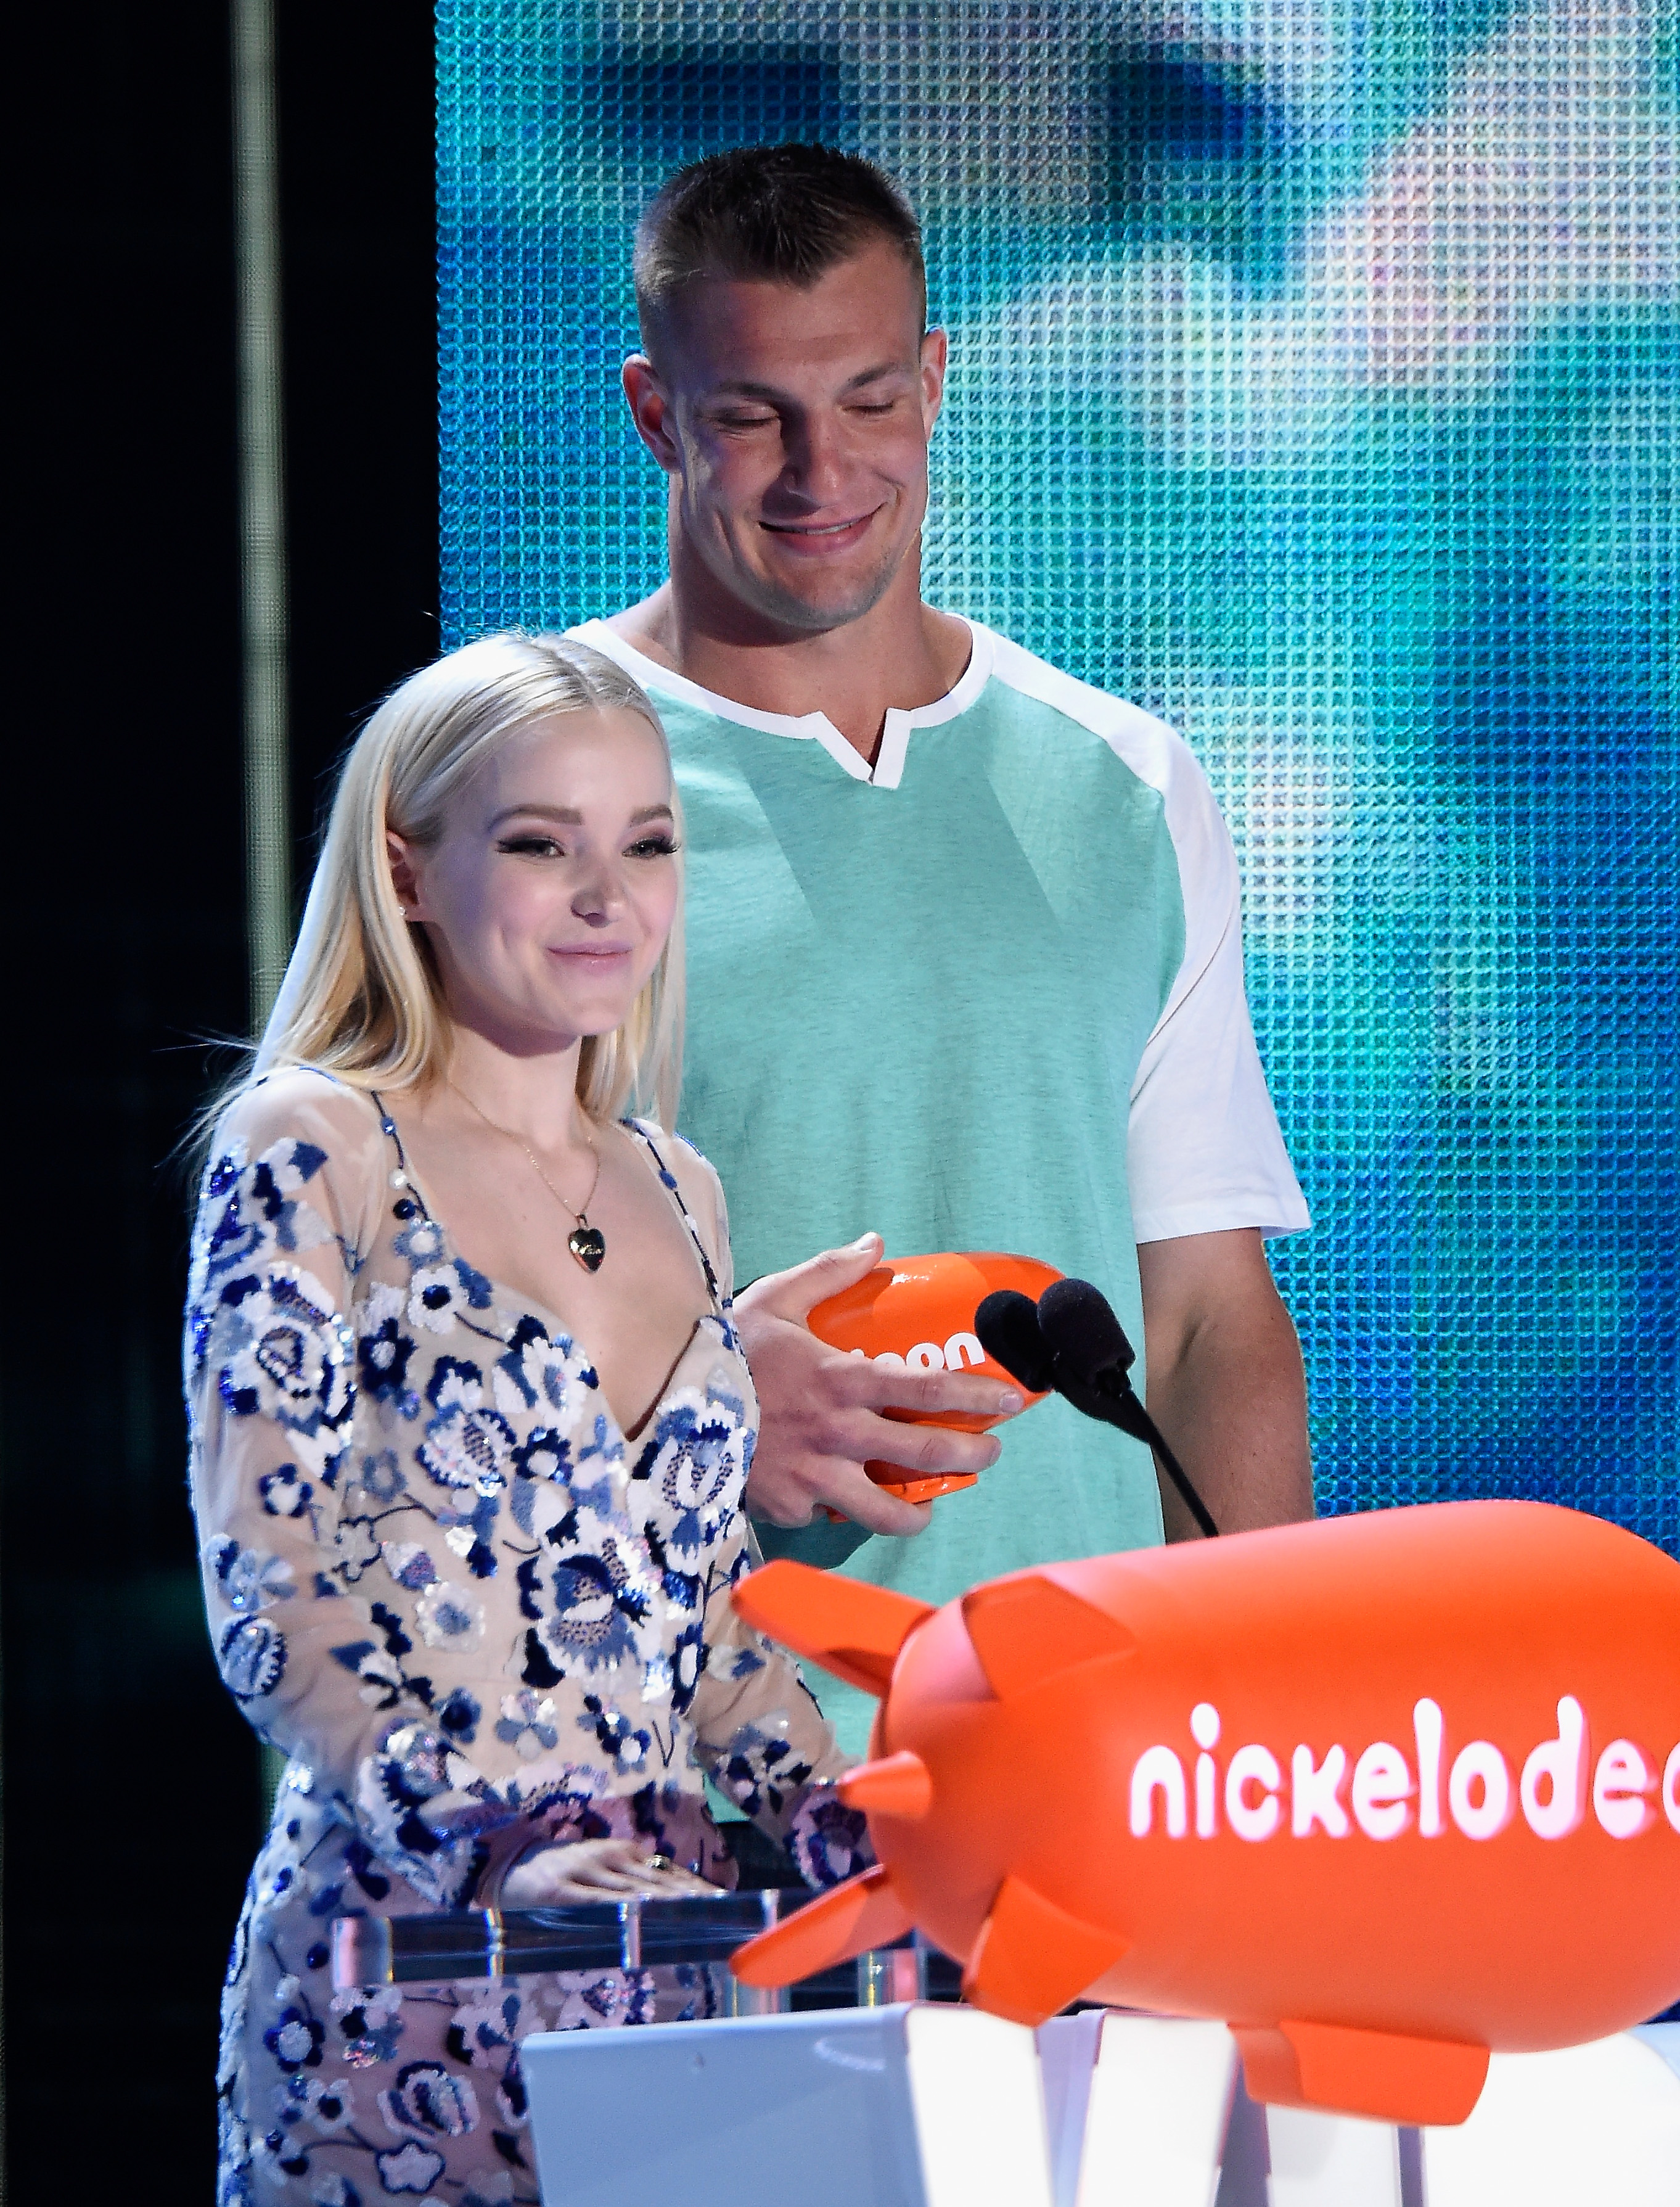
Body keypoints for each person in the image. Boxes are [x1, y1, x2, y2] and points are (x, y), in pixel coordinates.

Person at [567, 144, 1316, 1752]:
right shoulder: (513, 782)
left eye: (867, 401)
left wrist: (1245, 1753)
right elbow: (376, 1300)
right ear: (654, 414)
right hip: (676, 1783)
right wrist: (688, 1400)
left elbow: (1201, 1316)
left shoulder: (1121, 783)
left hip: (1077, 1770)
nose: (819, 470)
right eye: (752, 413)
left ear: (933, 381)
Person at [187, 633, 867, 2207]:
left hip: (661, 1983)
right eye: (542, 844)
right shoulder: (314, 1146)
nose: (606, 897)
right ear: (407, 872)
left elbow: (697, 1608)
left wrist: (851, 1823)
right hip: (403, 1975)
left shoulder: (678, 1184)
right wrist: (494, 1848)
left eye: (648, 844)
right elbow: (272, 1597)